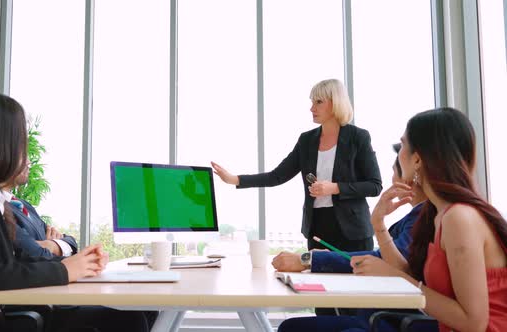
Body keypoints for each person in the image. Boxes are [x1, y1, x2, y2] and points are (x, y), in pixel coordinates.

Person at [0, 92, 154, 332]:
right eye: (21, 142)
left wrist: (78, 264)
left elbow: (10, 262)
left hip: (14, 314)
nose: (25, 152)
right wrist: (64, 270)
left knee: (133, 316)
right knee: (127, 321)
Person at [350, 107, 507, 332]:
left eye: (403, 145)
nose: (399, 153)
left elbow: (474, 323)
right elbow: (412, 276)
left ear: (417, 160)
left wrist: (398, 278)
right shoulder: (437, 213)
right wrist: (378, 224)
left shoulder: (459, 218)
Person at [212, 79, 382, 253]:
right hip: (317, 228)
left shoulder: (358, 137)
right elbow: (276, 176)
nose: (312, 108)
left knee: (355, 280)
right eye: (312, 102)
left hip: (353, 232)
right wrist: (234, 179)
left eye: (318, 102)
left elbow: (375, 185)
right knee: (318, 279)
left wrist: (335, 188)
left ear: (335, 103)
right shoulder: (306, 140)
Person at [272, 143, 426, 275]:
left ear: (415, 167)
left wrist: (307, 259)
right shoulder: (419, 214)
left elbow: (385, 260)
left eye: (394, 171)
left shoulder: (422, 217)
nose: (392, 179)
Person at [5, 160, 78, 258]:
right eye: (22, 154)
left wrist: (51, 245)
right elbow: (27, 252)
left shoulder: (24, 205)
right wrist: (51, 245)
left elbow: (71, 241)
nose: (28, 162)